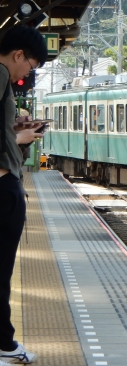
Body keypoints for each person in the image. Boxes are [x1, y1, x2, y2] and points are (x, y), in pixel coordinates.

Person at [0, 26, 47, 365]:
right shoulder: (0, 75)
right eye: (31, 65)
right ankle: (4, 341)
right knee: (1, 271)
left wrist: (15, 129)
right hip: (2, 188)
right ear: (18, 55)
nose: (28, 72)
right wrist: (19, 139)